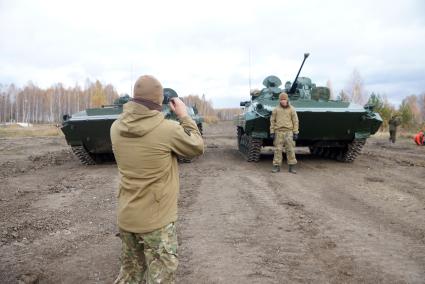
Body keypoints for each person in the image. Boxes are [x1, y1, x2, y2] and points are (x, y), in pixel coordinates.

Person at [110, 75, 204, 283]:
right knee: (161, 276)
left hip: (127, 217)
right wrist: (184, 115)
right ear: (158, 101)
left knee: (131, 274)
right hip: (156, 221)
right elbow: (197, 146)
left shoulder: (115, 127)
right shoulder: (167, 130)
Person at [270, 92, 299, 174]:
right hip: (278, 132)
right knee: (278, 150)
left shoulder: (292, 109)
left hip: (289, 132)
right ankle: (276, 166)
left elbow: (295, 121)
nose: (283, 101)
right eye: (281, 99)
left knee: (290, 150)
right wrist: (272, 132)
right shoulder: (276, 109)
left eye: (284, 99)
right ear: (279, 100)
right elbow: (272, 121)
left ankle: (292, 167)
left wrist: (296, 132)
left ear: (287, 99)